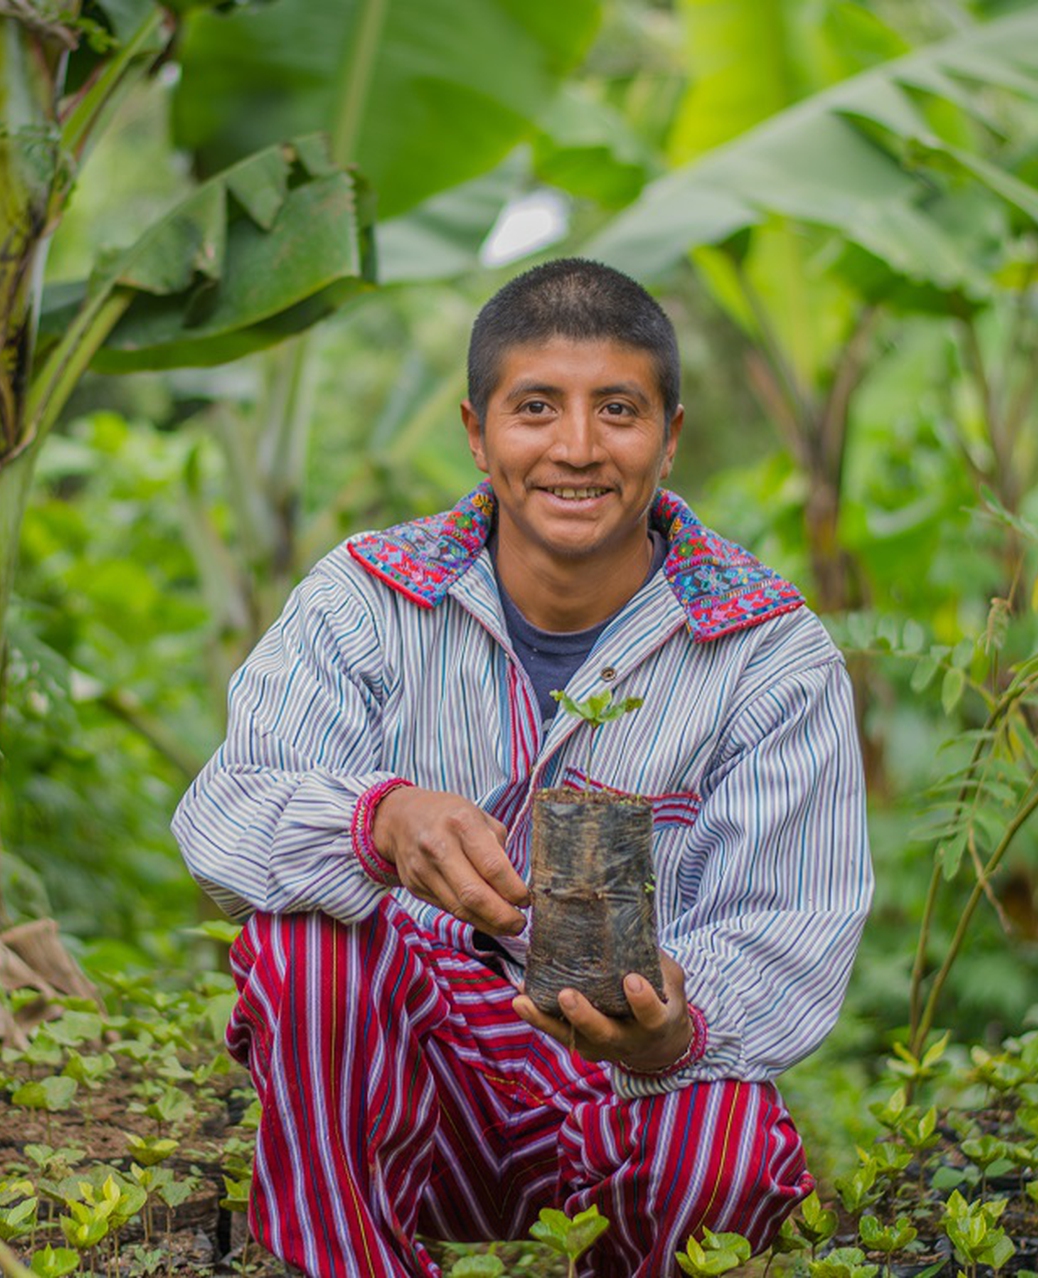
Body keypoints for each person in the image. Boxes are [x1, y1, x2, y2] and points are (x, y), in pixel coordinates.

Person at [173, 258, 872, 1277]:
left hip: (631, 1092)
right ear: (477, 431)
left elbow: (791, 934)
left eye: (620, 410)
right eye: (536, 407)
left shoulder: (770, 654)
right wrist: (377, 820)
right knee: (303, 946)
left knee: (724, 1143)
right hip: (420, 1083)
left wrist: (667, 1030)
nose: (578, 448)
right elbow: (223, 818)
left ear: (670, 437)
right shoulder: (364, 601)